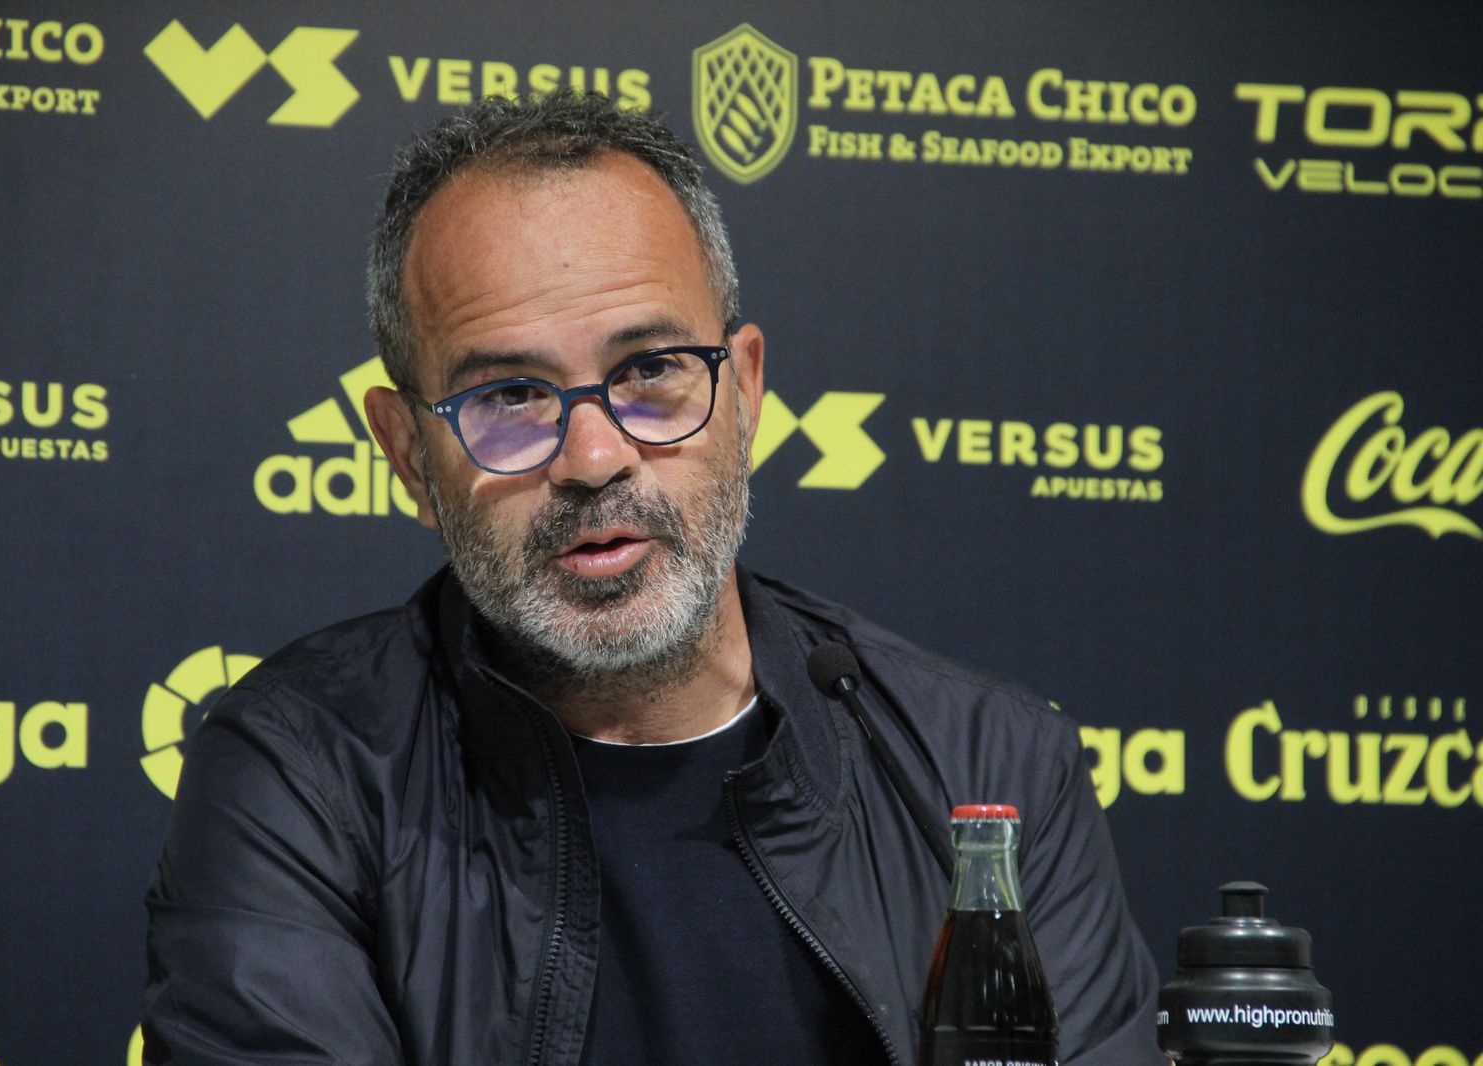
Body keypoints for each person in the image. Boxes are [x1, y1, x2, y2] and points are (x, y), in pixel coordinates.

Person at [143, 90, 1162, 1066]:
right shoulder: (306, 775)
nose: (594, 459)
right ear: (408, 453)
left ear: (746, 392)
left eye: (649, 371)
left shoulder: (986, 770)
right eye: (509, 395)